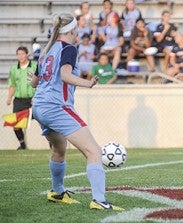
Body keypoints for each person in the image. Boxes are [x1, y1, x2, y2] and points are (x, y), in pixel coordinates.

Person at [29, 13, 123, 210]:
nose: (78, 32)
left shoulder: (47, 50)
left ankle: (57, 192)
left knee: (59, 148)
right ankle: (99, 200)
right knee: (94, 151)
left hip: (38, 106)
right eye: (77, 29)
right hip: (55, 106)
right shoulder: (69, 48)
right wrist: (88, 83)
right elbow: (64, 75)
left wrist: (34, 80)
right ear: (72, 30)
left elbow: (36, 81)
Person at [6, 46, 37, 150]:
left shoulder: (34, 66)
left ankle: (52, 144)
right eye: (18, 54)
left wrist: (36, 96)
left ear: (27, 54)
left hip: (33, 100)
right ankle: (22, 144)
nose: (21, 56)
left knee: (44, 122)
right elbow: (12, 85)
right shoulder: (14, 69)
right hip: (19, 100)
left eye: (22, 54)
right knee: (16, 125)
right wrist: (9, 98)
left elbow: (40, 83)